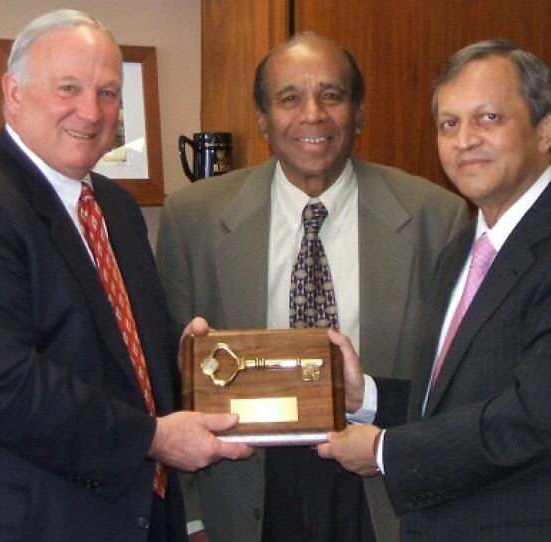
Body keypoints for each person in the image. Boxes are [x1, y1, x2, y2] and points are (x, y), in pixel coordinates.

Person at [0, 10, 250, 542]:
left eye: (108, 93)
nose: (91, 111)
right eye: (68, 88)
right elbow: (3, 386)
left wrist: (180, 358)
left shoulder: (115, 209)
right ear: (13, 93)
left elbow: (110, 347)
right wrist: (151, 438)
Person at [317, 39, 551, 541]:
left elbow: (534, 420)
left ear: (545, 128)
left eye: (488, 118)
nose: (464, 139)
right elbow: (458, 401)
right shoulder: (461, 250)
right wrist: (368, 398)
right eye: (449, 123)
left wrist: (385, 450)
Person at [156, 32, 468, 542]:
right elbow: (169, 378)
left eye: (331, 95)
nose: (312, 115)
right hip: (246, 486)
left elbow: (454, 387)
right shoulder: (193, 219)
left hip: (380, 488)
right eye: (289, 99)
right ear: (262, 119)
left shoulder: (437, 217)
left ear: (359, 113)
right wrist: (191, 517)